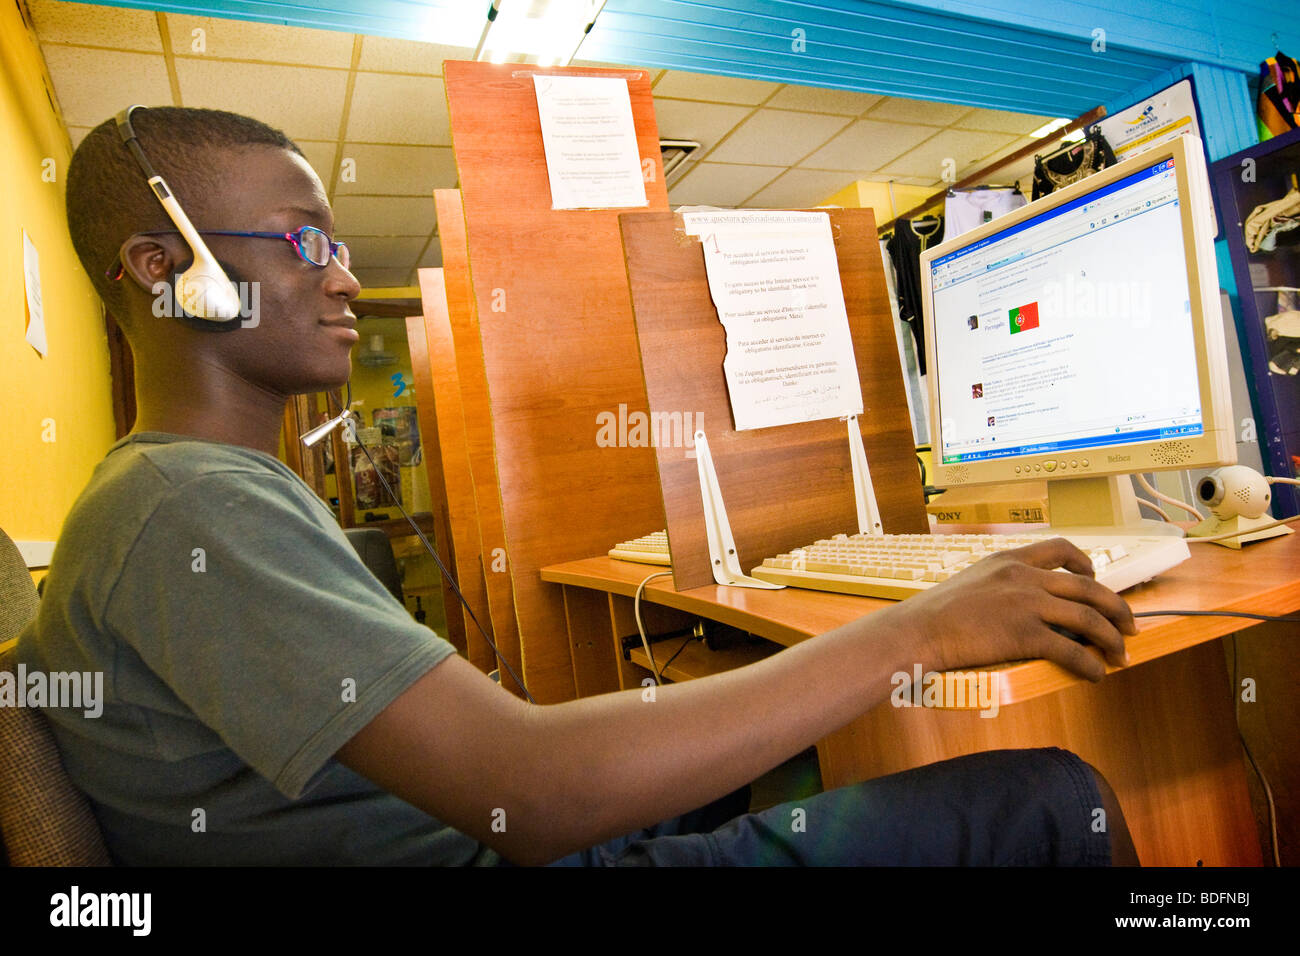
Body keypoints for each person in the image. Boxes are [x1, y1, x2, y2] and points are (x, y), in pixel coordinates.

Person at [18, 107, 1140, 866]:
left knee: (800, 749)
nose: (345, 274)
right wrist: (922, 628)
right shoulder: (184, 505)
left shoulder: (183, 491)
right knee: (1057, 798)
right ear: (162, 265)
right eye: (304, 243)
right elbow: (535, 791)